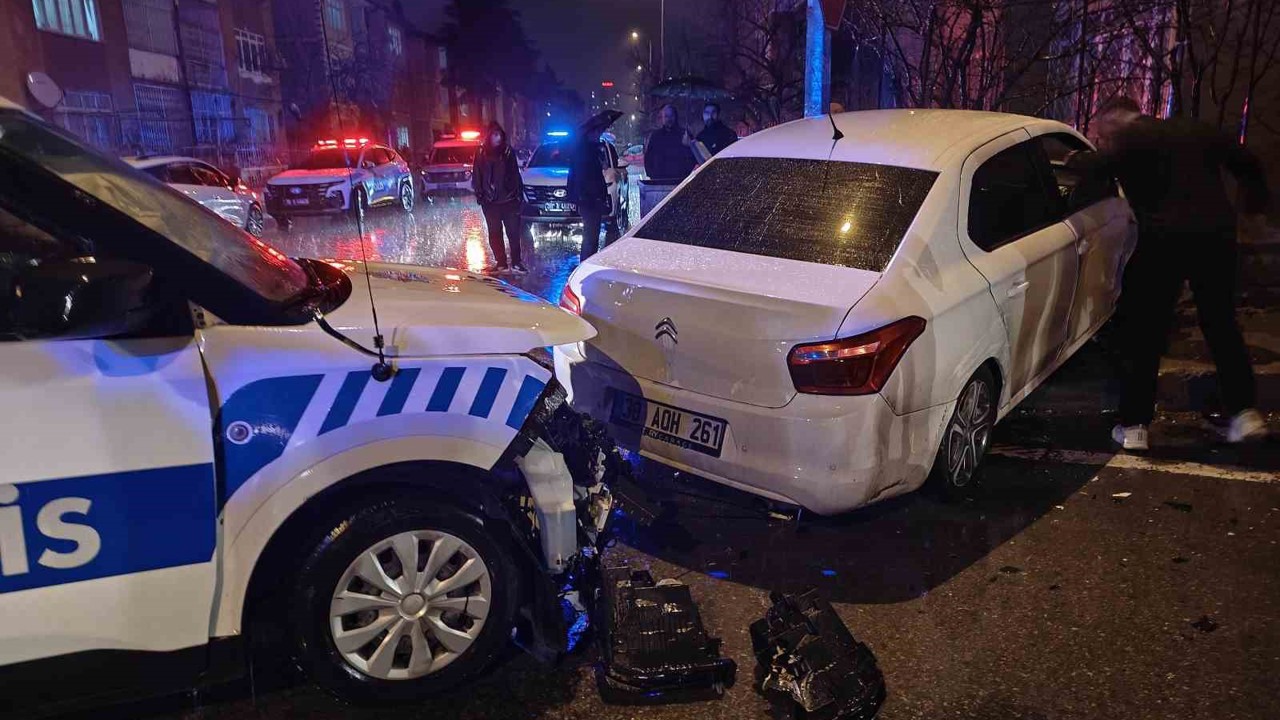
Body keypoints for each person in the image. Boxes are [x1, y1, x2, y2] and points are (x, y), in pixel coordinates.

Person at [1071, 97, 1270, 450]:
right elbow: (1248, 162)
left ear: (1114, 121)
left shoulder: (1129, 142)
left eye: (1102, 132)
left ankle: (1134, 426)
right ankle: (1245, 416)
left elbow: (1091, 170)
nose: (1102, 138)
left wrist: (1075, 160)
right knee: (1221, 323)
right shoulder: (1192, 129)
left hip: (1162, 242)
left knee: (1145, 331)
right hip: (1216, 239)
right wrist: (1253, 207)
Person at [472, 121, 526, 274]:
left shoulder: (508, 152)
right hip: (490, 202)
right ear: (489, 137)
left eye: (500, 135)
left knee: (513, 233)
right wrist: (480, 195)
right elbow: (477, 175)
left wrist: (517, 195)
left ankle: (516, 262)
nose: (498, 138)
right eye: (495, 135)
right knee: (495, 233)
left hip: (509, 200)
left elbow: (515, 175)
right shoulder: (481, 153)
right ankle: (501, 262)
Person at [566, 123, 609, 261]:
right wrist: (594, 196)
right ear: (589, 134)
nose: (599, 135)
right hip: (589, 199)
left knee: (592, 235)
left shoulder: (591, 150)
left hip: (591, 198)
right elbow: (584, 177)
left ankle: (588, 261)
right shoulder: (584, 153)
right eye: (597, 132)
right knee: (590, 236)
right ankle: (586, 263)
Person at [643, 104, 696, 182]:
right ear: (663, 118)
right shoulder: (655, 136)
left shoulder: (684, 135)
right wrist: (652, 175)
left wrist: (688, 146)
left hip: (679, 181)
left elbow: (692, 158)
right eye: (666, 116)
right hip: (659, 181)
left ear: (675, 117)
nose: (669, 119)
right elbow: (648, 158)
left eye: (671, 116)